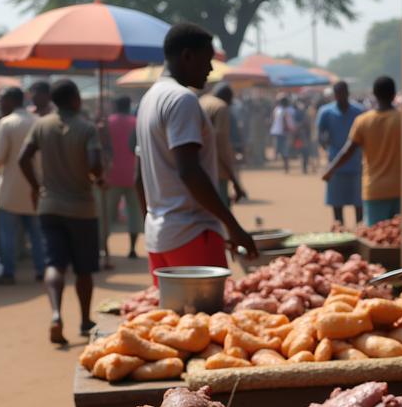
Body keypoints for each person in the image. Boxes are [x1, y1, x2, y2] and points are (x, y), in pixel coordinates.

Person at [135, 22, 257, 280]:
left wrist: (154, 222)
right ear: (187, 56)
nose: (211, 70)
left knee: (176, 319)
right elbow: (189, 171)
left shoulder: (149, 100)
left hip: (160, 237)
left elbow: (138, 178)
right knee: (207, 317)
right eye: (207, 60)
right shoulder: (182, 99)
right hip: (192, 232)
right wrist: (233, 226)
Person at [19, 79, 103, 345]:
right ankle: (85, 319)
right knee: (83, 269)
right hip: (82, 207)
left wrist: (37, 186)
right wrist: (95, 176)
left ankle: (56, 315)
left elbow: (23, 158)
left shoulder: (41, 125)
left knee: (54, 264)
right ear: (76, 99)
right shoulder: (87, 128)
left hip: (49, 206)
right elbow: (96, 165)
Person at [321, 75, 402, 226]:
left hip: (375, 190)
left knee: (378, 238)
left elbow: (347, 151)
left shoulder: (363, 121)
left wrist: (331, 170)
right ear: (394, 95)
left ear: (374, 94)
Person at [0, 86, 44, 284]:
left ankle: (8, 272)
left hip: (10, 189)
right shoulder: (38, 122)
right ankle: (41, 270)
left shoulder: (6, 124)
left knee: (7, 235)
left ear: (11, 101)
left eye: (1, 100)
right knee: (37, 234)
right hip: (35, 188)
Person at [99, 95, 142, 262]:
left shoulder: (106, 123)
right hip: (133, 175)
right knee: (134, 214)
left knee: (106, 215)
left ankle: (105, 249)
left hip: (111, 176)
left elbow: (101, 148)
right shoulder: (136, 122)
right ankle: (132, 249)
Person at [316, 80, 364, 225]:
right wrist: (326, 148)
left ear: (348, 94)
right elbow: (320, 134)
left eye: (343, 94)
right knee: (337, 205)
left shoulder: (359, 111)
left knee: (359, 203)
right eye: (338, 94)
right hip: (335, 163)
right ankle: (339, 231)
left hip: (356, 164)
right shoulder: (326, 112)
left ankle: (359, 231)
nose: (341, 97)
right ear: (334, 95)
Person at [198, 83, 247, 206]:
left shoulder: (202, 100)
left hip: (198, 165)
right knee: (221, 207)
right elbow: (221, 144)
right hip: (216, 168)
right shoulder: (221, 107)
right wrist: (234, 179)